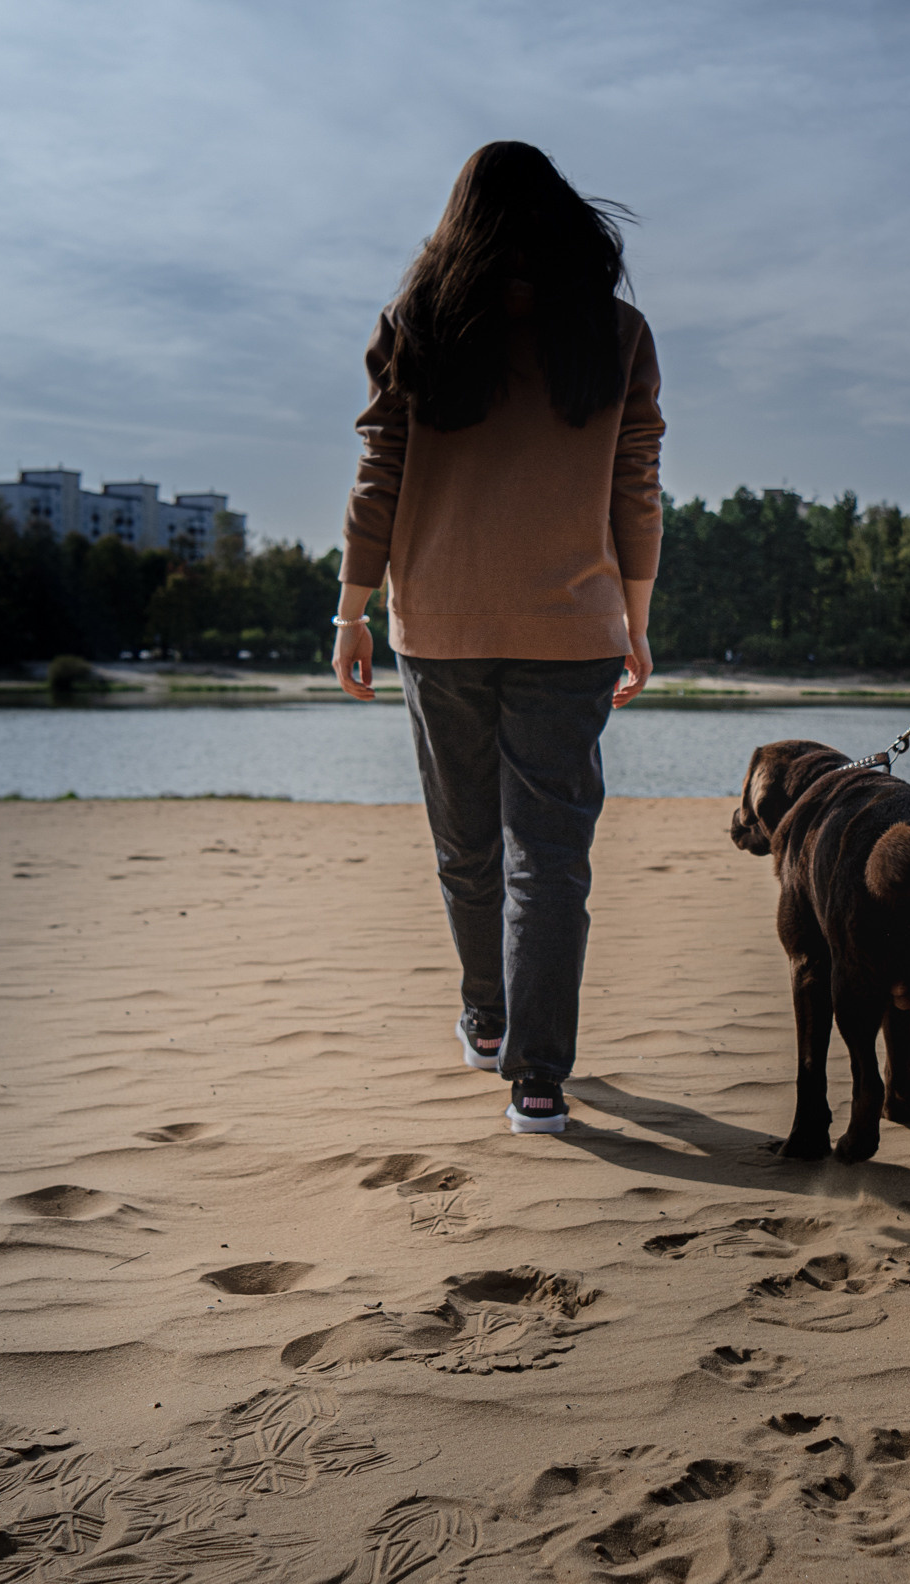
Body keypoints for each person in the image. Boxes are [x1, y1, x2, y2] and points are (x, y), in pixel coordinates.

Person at [334, 141, 663, 1135]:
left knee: (468, 843)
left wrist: (350, 610)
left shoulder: (416, 326)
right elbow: (636, 485)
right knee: (549, 859)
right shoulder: (616, 332)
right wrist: (637, 620)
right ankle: (539, 1080)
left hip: (440, 626)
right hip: (575, 626)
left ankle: (488, 1016)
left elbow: (379, 475)